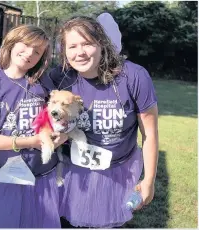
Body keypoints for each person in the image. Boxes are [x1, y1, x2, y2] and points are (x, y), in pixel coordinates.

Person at [48, 15, 159, 228]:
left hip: (118, 172)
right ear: (64, 51)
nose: (79, 52)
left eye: (87, 43)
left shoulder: (134, 76)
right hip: (73, 173)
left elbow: (150, 134)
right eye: (72, 46)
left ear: (102, 44)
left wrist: (149, 180)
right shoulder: (59, 78)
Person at [0, 24, 68, 228]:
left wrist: (62, 135)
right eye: (27, 44)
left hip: (44, 179)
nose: (30, 53)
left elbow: (63, 119)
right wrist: (31, 141)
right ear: (12, 43)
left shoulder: (44, 82)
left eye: (37, 51)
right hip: (6, 180)